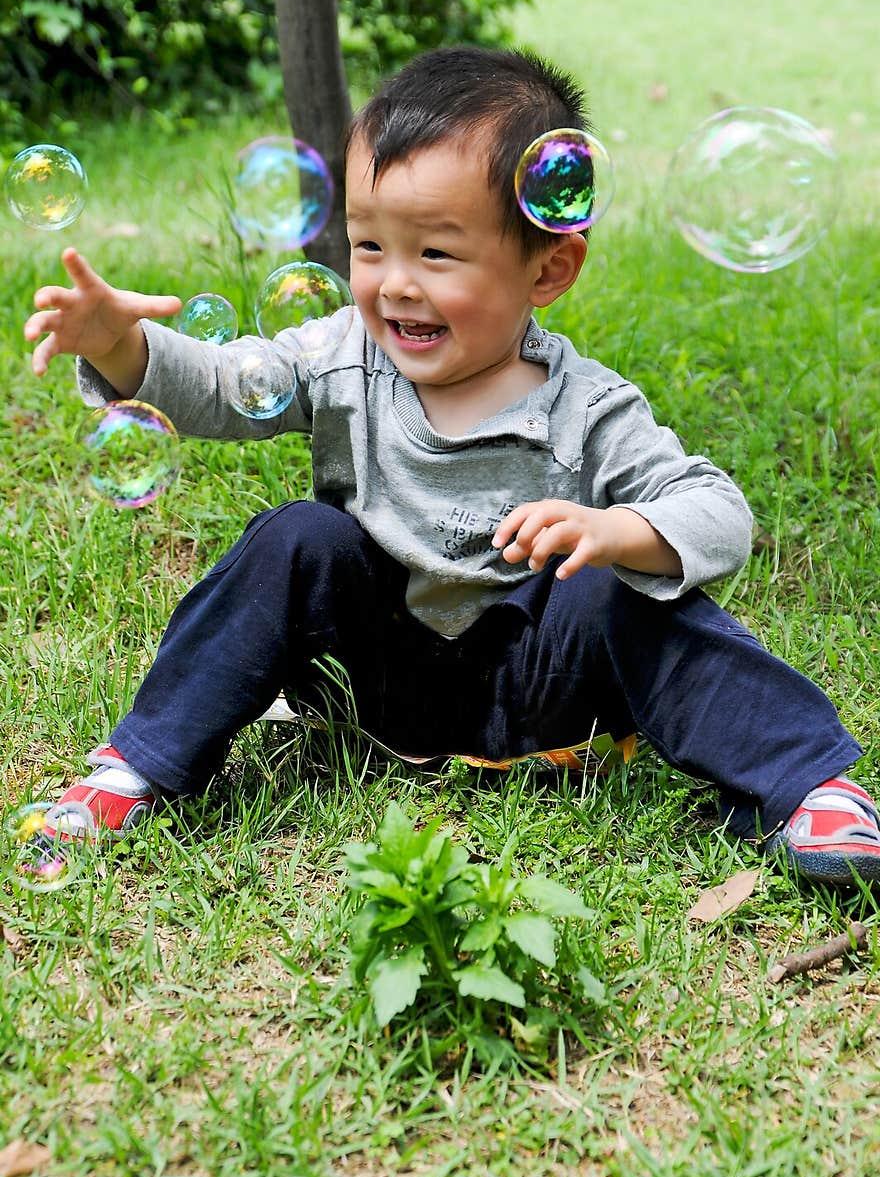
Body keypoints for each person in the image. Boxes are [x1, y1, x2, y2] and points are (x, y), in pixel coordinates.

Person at [23, 45, 880, 887]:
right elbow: (222, 383)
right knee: (299, 536)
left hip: (546, 693)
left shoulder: (587, 406)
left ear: (549, 268)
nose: (394, 285)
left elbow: (718, 511)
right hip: (371, 682)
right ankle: (137, 768)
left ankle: (811, 783)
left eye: (435, 253)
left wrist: (618, 530)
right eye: (368, 246)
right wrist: (121, 345)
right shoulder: (340, 357)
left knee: (620, 589)